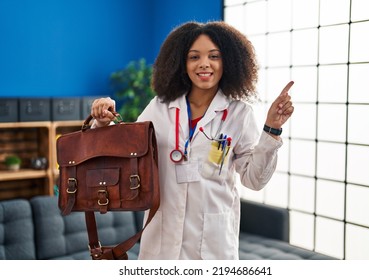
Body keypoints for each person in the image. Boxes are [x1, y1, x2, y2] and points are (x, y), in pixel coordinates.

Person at [90, 21, 294, 260]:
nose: (204, 64)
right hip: (161, 245)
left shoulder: (239, 114)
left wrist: (272, 128)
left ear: (227, 61)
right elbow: (127, 154)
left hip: (213, 246)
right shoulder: (160, 107)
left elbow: (254, 180)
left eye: (214, 56)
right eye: (194, 57)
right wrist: (103, 122)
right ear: (181, 63)